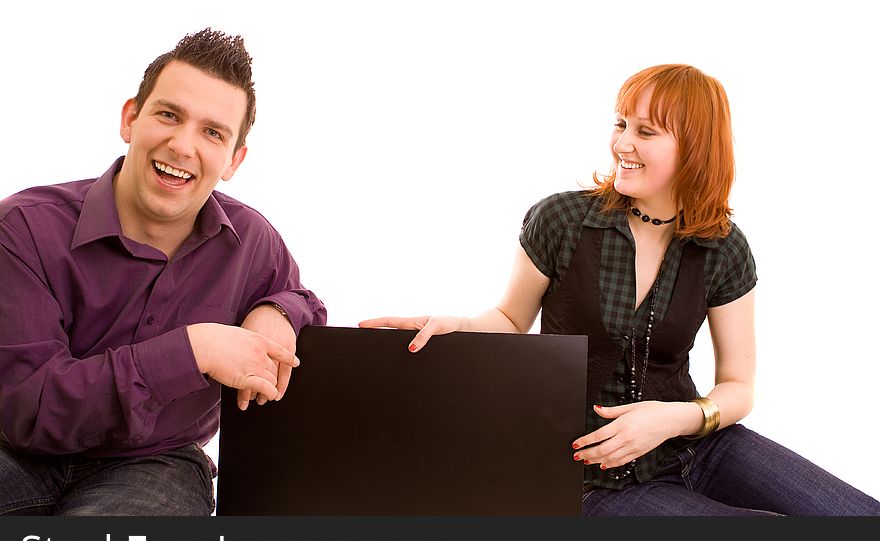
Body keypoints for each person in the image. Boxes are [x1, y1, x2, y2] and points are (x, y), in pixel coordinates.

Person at [360, 64, 880, 515]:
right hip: (594, 470)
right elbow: (511, 321)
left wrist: (677, 418)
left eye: (646, 131)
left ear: (695, 147)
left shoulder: (724, 246)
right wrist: (461, 327)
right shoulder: (562, 219)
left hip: (696, 443)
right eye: (621, 124)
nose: (622, 144)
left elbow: (738, 385)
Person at [0, 29, 327, 516]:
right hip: (17, 453)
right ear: (131, 118)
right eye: (169, 115)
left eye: (213, 132)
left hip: (157, 464)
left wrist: (277, 309)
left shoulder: (252, 241)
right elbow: (32, 408)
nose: (182, 145)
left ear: (234, 160)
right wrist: (192, 352)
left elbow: (304, 302)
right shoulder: (23, 227)